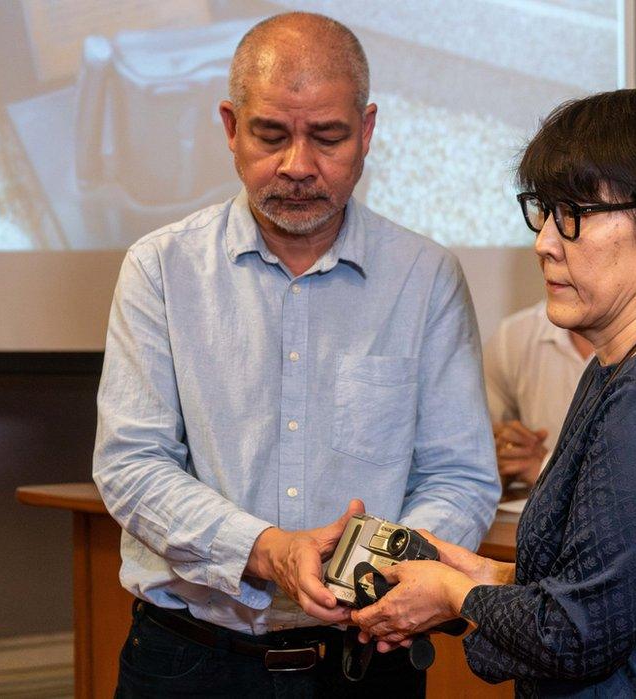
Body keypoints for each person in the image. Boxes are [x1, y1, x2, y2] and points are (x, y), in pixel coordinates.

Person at [92, 12, 499, 698]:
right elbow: (131, 464)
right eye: (271, 135)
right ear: (229, 127)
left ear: (367, 131)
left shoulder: (425, 277)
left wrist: (381, 575)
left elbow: (459, 475)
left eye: (330, 137)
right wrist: (267, 550)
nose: (298, 166)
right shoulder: (161, 269)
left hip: (364, 664)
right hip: (190, 662)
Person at [352, 87, 636, 696]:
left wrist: (455, 593)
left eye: (574, 215)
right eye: (545, 210)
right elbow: (607, 589)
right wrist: (486, 576)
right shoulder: (630, 362)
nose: (545, 242)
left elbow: (572, 636)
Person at [484, 302, 593, 486]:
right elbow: (475, 447)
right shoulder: (515, 334)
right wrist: (503, 452)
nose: (551, 270)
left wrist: (545, 467)